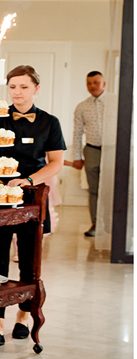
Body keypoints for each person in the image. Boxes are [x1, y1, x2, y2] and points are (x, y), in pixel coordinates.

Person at [0, 66, 64, 345]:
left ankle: (23, 317)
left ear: (36, 89)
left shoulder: (49, 122)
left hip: (32, 196)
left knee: (29, 261)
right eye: (12, 87)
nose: (17, 92)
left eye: (24, 87)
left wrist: (29, 180)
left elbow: (56, 163)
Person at [68, 70, 107, 237]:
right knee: (94, 190)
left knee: (114, 188)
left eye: (96, 82)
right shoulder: (82, 107)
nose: (92, 86)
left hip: (112, 150)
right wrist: (77, 157)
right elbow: (77, 133)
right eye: (89, 83)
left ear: (103, 83)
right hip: (92, 150)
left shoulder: (115, 103)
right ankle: (95, 224)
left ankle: (113, 225)